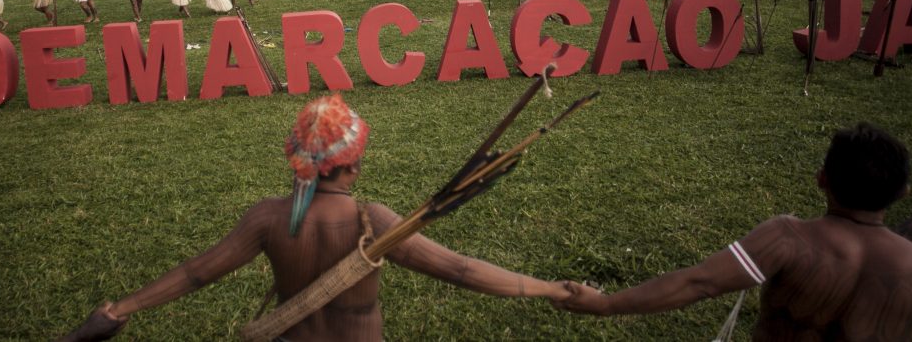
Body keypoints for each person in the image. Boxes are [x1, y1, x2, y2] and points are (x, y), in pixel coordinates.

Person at [59, 95, 570, 342]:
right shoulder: (376, 221)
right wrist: (553, 290)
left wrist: (117, 311)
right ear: (355, 162)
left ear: (298, 158)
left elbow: (196, 273)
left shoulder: (267, 219)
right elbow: (460, 270)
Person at [560, 124, 912, 340]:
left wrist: (605, 304)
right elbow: (866, 267)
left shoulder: (788, 239)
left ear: (821, 179)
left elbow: (698, 283)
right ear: (904, 192)